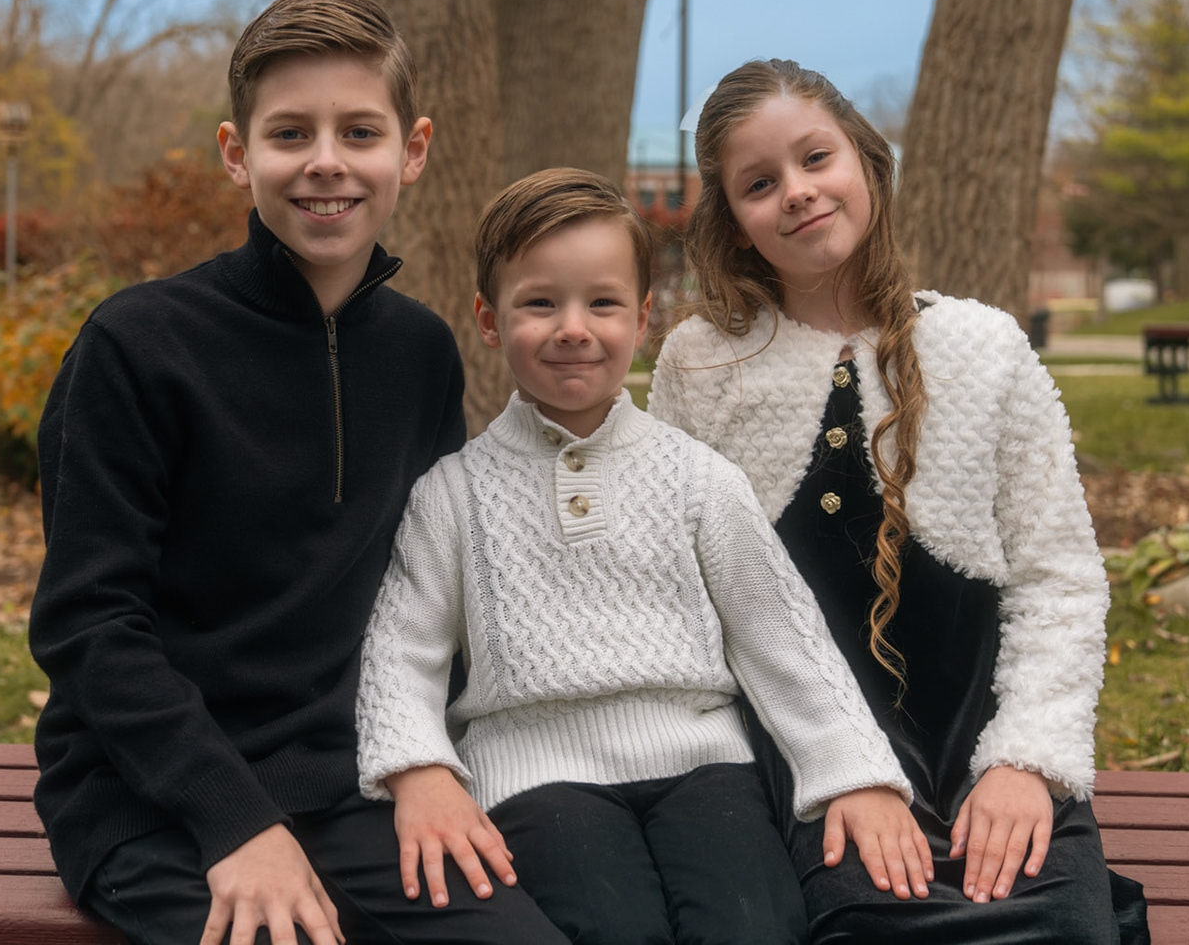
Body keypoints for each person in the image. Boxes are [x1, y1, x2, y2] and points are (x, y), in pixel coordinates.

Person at [27, 0, 568, 945]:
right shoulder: (138, 345)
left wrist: (422, 761)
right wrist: (235, 821)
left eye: (359, 131)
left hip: (356, 778)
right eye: (290, 133)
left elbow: (429, 590)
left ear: (413, 150)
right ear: (238, 153)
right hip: (155, 794)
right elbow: (89, 624)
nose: (326, 161)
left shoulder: (420, 353)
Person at [356, 168, 925, 945]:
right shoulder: (451, 494)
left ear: (643, 317)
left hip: (705, 765)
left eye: (602, 303)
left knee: (755, 927)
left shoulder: (698, 478)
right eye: (539, 304)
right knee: (610, 925)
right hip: (536, 773)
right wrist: (419, 770)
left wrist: (855, 772)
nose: (573, 328)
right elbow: (402, 650)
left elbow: (781, 635)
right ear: (489, 320)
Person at [648, 59, 1146, 944]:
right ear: (735, 225)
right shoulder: (702, 366)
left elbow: (1059, 578)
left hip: (985, 753)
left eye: (816, 158)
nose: (797, 192)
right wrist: (833, 769)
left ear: (868, 161)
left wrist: (1027, 761)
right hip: (815, 764)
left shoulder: (986, 347)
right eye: (760, 184)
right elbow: (685, 603)